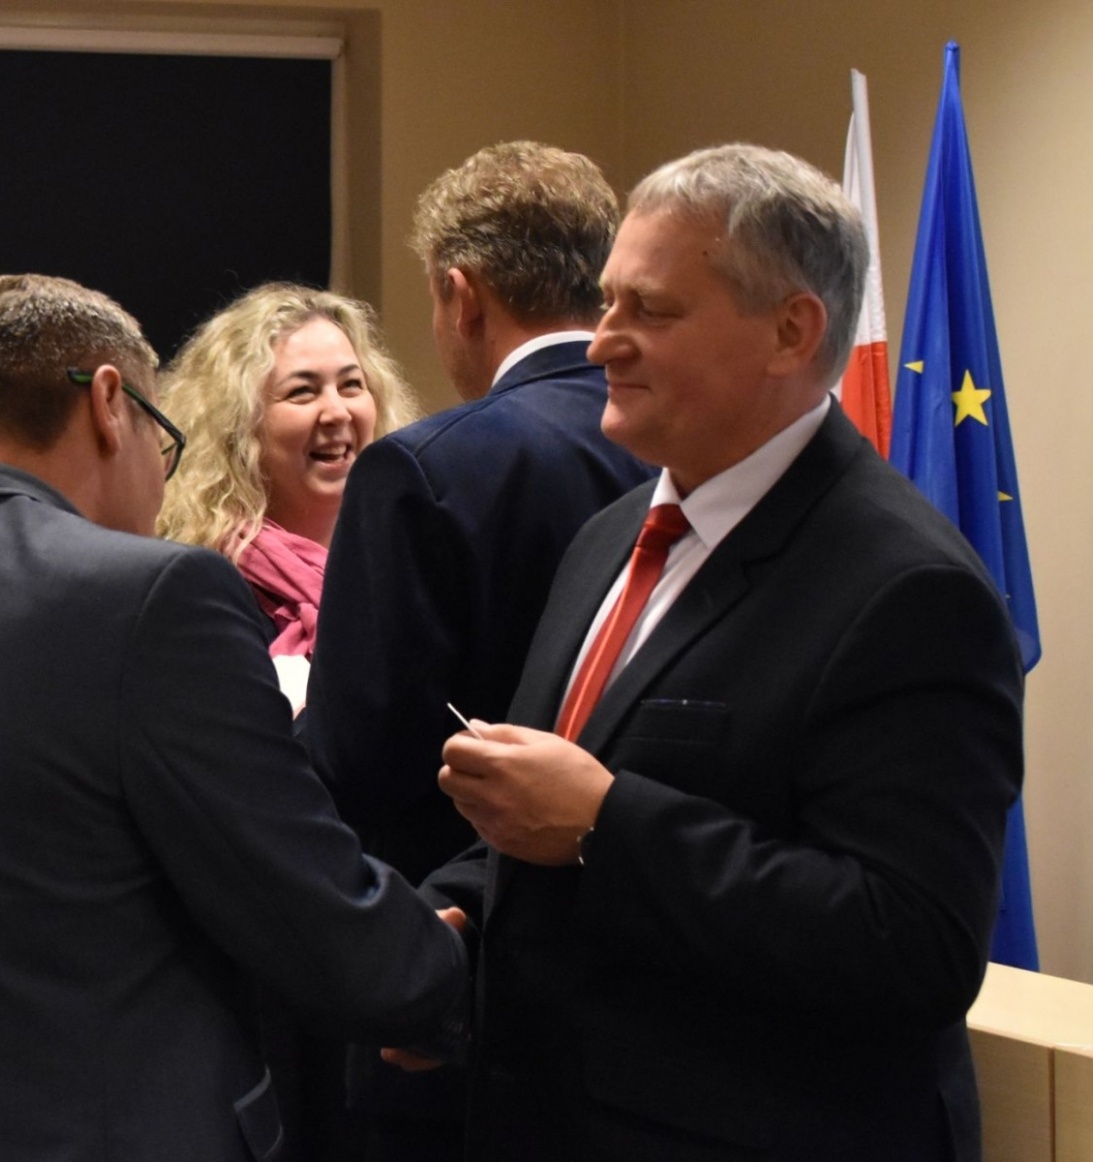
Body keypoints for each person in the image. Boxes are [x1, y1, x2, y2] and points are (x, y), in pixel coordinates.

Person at [0, 274, 466, 1162]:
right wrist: (442, 978)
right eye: (163, 438)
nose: (162, 477)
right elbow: (292, 892)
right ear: (110, 406)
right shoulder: (155, 600)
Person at [422, 145, 1025, 1161]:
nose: (602, 342)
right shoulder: (612, 537)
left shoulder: (909, 589)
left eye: (649, 311)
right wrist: (460, 920)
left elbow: (913, 943)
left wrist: (606, 824)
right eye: (607, 301)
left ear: (792, 331)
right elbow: (550, 811)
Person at [297, 142, 655, 1159]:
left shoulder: (423, 470)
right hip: (654, 977)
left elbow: (363, 759)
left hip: (458, 985)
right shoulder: (685, 447)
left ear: (460, 295)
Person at [157, 284, 418, 676]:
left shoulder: (412, 561)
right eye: (302, 392)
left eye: (351, 385)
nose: (337, 412)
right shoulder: (200, 589)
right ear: (238, 425)